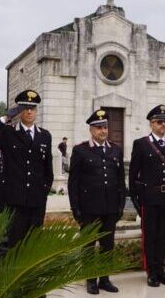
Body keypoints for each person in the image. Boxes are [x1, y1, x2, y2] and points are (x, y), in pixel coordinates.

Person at [0, 90, 53, 253]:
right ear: (20, 110)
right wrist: (5, 118)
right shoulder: (8, 132)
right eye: (25, 107)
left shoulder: (45, 136)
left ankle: (31, 278)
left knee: (33, 244)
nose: (29, 111)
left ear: (36, 111)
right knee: (14, 244)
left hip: (37, 201)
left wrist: (44, 191)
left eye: (32, 108)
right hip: (15, 201)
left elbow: (48, 168)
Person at [68, 109, 126, 294]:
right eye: (99, 127)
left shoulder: (115, 149)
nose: (103, 131)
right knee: (89, 245)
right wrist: (75, 208)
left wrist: (121, 204)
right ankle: (91, 280)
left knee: (107, 245)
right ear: (91, 130)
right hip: (89, 208)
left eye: (105, 127)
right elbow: (73, 182)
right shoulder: (81, 150)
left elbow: (120, 180)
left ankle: (105, 279)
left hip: (110, 207)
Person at [129, 105, 165, 288]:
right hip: (149, 199)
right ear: (151, 123)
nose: (163, 125)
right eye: (159, 122)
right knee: (150, 236)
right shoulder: (141, 144)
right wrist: (136, 200)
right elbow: (133, 175)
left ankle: (161, 269)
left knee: (163, 235)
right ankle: (151, 271)